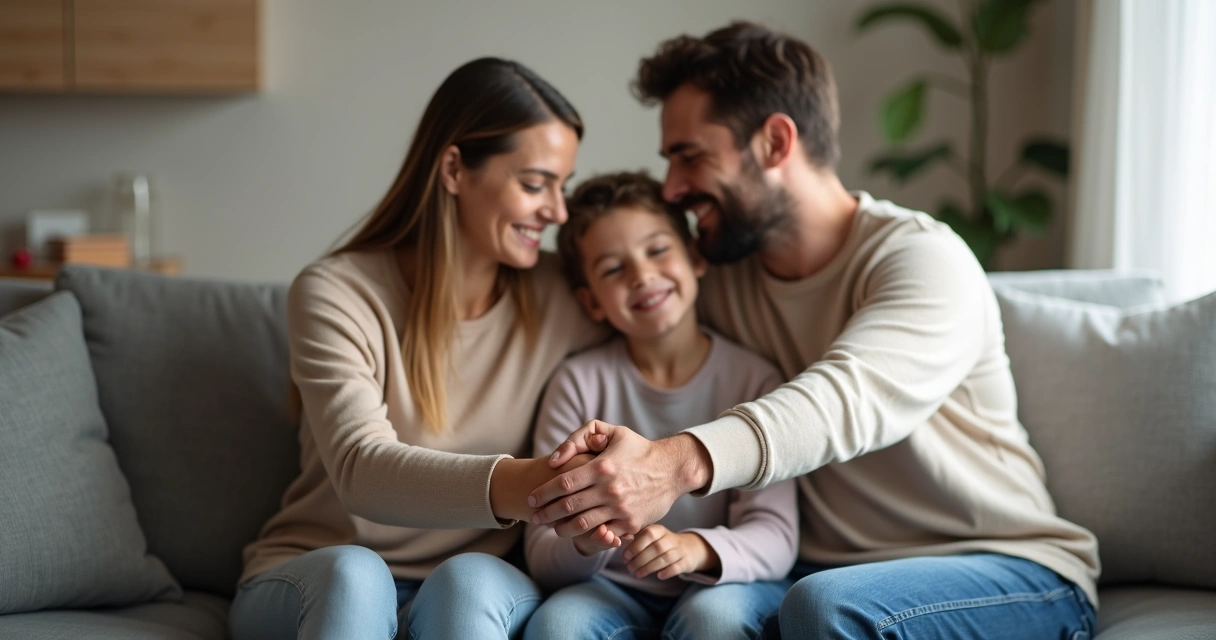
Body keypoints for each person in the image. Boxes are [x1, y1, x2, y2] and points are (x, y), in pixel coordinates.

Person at [530, 22, 1100, 639]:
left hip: (1002, 568)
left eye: (690, 157)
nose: (672, 188)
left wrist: (673, 465)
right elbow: (601, 293)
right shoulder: (722, 274)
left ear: (775, 142)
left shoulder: (922, 260)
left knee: (824, 607)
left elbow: (842, 401)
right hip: (819, 575)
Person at [230, 57, 608, 640]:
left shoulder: (565, 294)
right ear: (454, 169)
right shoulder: (337, 292)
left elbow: (677, 310)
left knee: (468, 582)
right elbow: (361, 470)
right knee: (357, 578)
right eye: (535, 185)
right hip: (320, 571)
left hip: (470, 582)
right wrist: (551, 485)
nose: (557, 211)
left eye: (563, 186)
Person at [522, 171, 798, 639]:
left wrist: (695, 549)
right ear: (591, 302)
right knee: (559, 625)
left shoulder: (756, 380)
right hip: (609, 588)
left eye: (657, 250)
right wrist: (586, 542)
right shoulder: (577, 384)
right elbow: (542, 552)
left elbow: (776, 535)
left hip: (721, 582)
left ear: (694, 257)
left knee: (715, 621)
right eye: (613, 269)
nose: (642, 276)